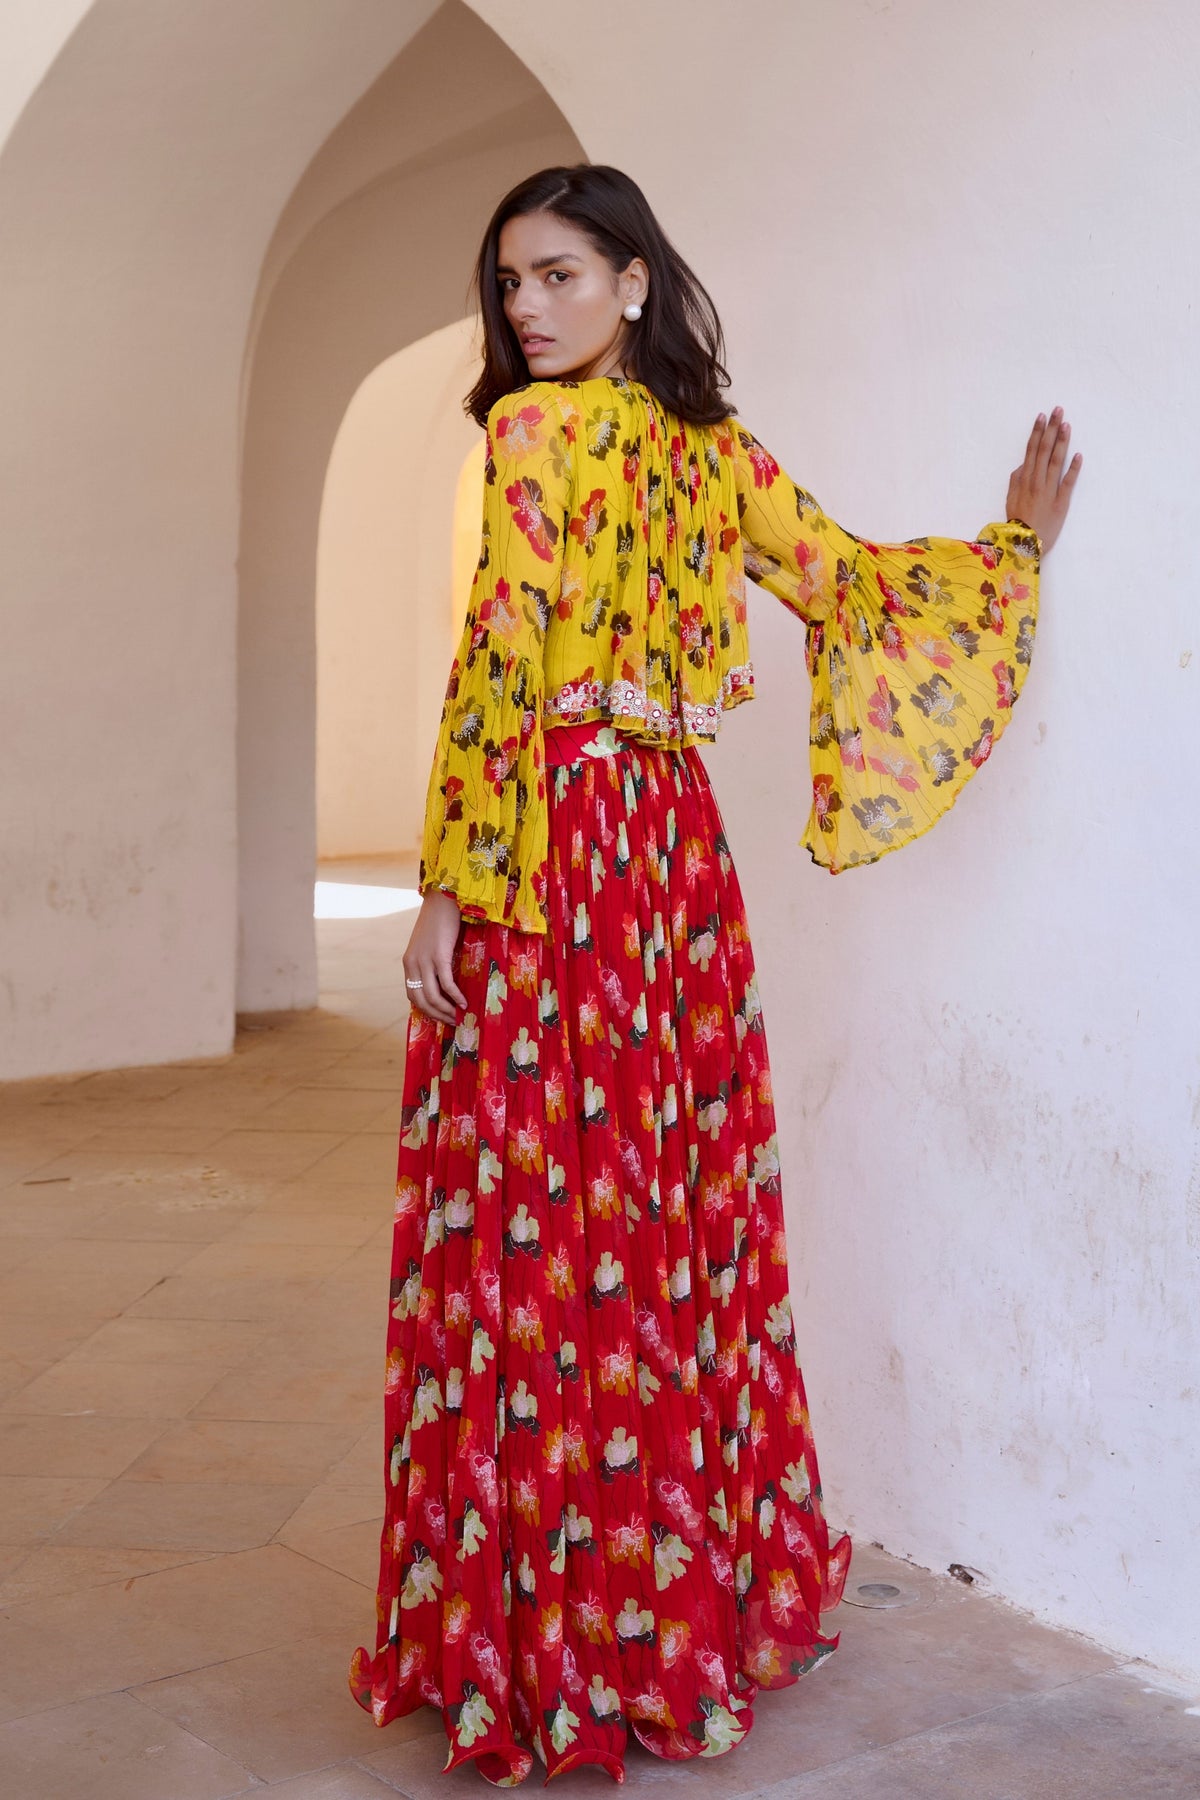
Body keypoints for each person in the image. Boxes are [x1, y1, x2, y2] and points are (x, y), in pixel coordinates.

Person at [347, 164, 1081, 1786]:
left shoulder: (550, 444)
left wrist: (450, 894)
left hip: (555, 852)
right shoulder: (711, 454)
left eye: (552, 275)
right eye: (510, 284)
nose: (525, 309)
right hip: (668, 865)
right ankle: (676, 1614)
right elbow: (853, 586)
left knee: (549, 1226)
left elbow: (500, 656)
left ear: (630, 280)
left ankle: (552, 1634)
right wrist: (1007, 561)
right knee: (661, 1218)